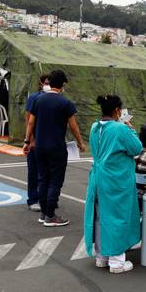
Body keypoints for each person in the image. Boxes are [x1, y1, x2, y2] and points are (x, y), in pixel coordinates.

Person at [83, 94, 143, 273]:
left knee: (101, 217)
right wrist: (130, 129)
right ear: (117, 111)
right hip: (116, 180)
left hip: (98, 178)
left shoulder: (95, 127)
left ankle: (102, 256)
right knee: (118, 218)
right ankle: (116, 261)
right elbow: (136, 148)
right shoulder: (120, 129)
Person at [22, 69, 85, 227]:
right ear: (62, 85)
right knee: (55, 181)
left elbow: (31, 122)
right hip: (56, 147)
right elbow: (73, 127)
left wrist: (26, 141)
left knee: (42, 178)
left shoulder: (38, 100)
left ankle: (44, 213)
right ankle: (51, 215)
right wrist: (80, 143)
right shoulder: (65, 103)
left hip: (40, 146)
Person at [23, 74, 51, 212]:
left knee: (46, 173)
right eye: (46, 83)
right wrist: (30, 140)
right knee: (34, 172)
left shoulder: (56, 98)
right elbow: (28, 119)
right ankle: (33, 199)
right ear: (41, 83)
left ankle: (45, 199)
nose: (48, 85)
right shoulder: (34, 97)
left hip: (48, 142)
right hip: (35, 142)